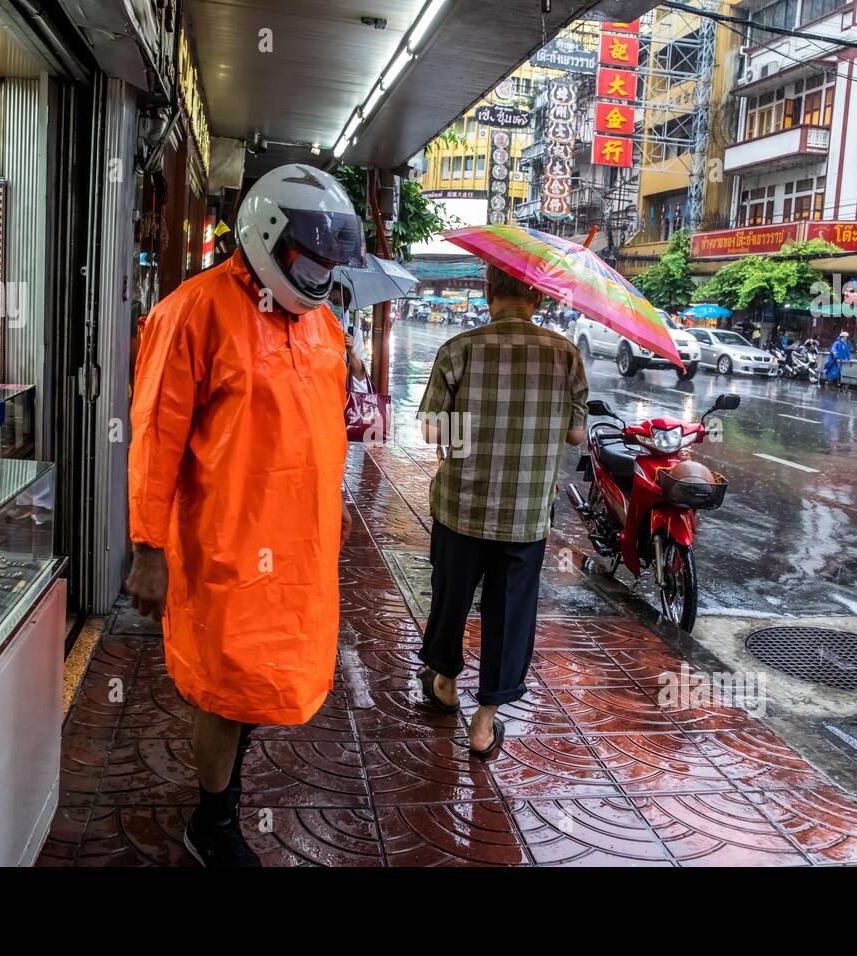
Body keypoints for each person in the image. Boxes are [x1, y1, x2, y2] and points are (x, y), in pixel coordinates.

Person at [124, 164, 364, 867]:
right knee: (225, 689)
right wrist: (147, 546)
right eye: (308, 257)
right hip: (224, 543)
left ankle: (222, 794)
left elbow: (324, 433)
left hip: (300, 548)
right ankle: (213, 820)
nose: (319, 274)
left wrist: (331, 517)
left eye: (329, 261)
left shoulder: (323, 327)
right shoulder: (192, 312)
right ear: (264, 235)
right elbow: (156, 436)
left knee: (264, 681)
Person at [415, 264, 588, 759]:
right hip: (525, 515)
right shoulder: (566, 356)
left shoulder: (460, 349)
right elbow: (577, 435)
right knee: (511, 613)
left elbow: (431, 430)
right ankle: (484, 724)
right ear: (536, 298)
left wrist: (472, 434)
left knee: (451, 599)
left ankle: (445, 683)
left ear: (488, 293)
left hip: (460, 508)